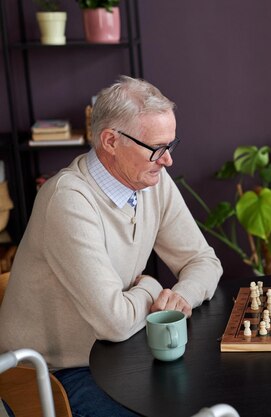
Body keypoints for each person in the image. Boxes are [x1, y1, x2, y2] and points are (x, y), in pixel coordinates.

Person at [0, 76, 223, 417]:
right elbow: (115, 323)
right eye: (156, 149)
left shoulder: (152, 181)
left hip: (116, 353)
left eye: (170, 145)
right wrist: (151, 287)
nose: (168, 161)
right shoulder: (68, 200)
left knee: (210, 396)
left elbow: (204, 261)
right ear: (110, 141)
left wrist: (182, 297)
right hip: (53, 374)